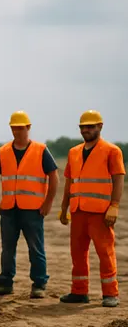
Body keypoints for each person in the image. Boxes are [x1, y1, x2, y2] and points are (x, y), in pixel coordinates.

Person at [0, 111, 58, 298]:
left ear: (28, 128)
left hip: (33, 210)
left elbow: (54, 177)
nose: (17, 131)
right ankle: (5, 282)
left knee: (36, 248)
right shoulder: (3, 152)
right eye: (14, 128)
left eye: (20, 128)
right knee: (7, 248)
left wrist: (48, 202)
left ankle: (39, 284)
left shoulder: (41, 150)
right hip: (9, 209)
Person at [58, 110, 124, 307]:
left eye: (90, 126)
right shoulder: (74, 152)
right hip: (77, 211)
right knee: (77, 253)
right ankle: (79, 291)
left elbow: (118, 179)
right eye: (83, 127)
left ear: (100, 127)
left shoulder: (112, 151)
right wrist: (64, 207)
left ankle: (110, 294)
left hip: (100, 213)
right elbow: (69, 183)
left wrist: (114, 206)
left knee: (105, 253)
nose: (86, 130)